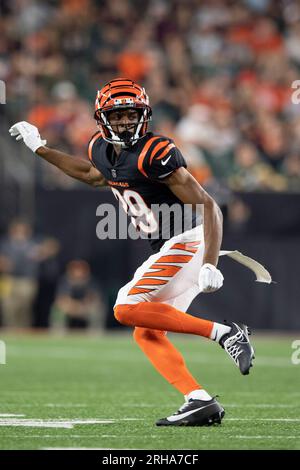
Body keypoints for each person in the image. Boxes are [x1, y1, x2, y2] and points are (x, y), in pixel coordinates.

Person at [9, 78, 271, 426]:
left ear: (143, 115)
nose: (125, 122)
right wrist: (40, 148)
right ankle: (199, 400)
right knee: (145, 330)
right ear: (102, 119)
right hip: (168, 246)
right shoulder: (100, 149)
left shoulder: (155, 152)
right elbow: (90, 174)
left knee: (124, 307)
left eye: (131, 114)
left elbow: (210, 206)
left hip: (188, 240)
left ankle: (225, 333)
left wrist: (209, 261)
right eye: (116, 116)